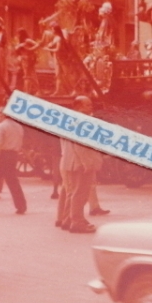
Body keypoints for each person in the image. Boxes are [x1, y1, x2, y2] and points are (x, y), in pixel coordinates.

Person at [55, 96, 103, 233]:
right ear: (78, 106)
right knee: (80, 193)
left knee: (72, 192)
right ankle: (77, 222)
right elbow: (80, 145)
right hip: (80, 163)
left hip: (69, 161)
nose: (91, 107)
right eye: (87, 105)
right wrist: (87, 163)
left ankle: (67, 219)